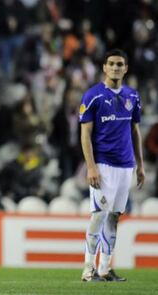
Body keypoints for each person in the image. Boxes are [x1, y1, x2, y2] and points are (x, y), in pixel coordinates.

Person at [79, 49, 145, 282]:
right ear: (104, 68)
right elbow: (85, 134)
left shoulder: (133, 96)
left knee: (114, 216)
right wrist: (91, 166)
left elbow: (135, 130)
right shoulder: (93, 96)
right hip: (103, 165)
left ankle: (105, 268)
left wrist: (140, 165)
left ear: (125, 68)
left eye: (120, 64)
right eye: (111, 64)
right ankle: (88, 268)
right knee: (99, 215)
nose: (115, 68)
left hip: (125, 166)